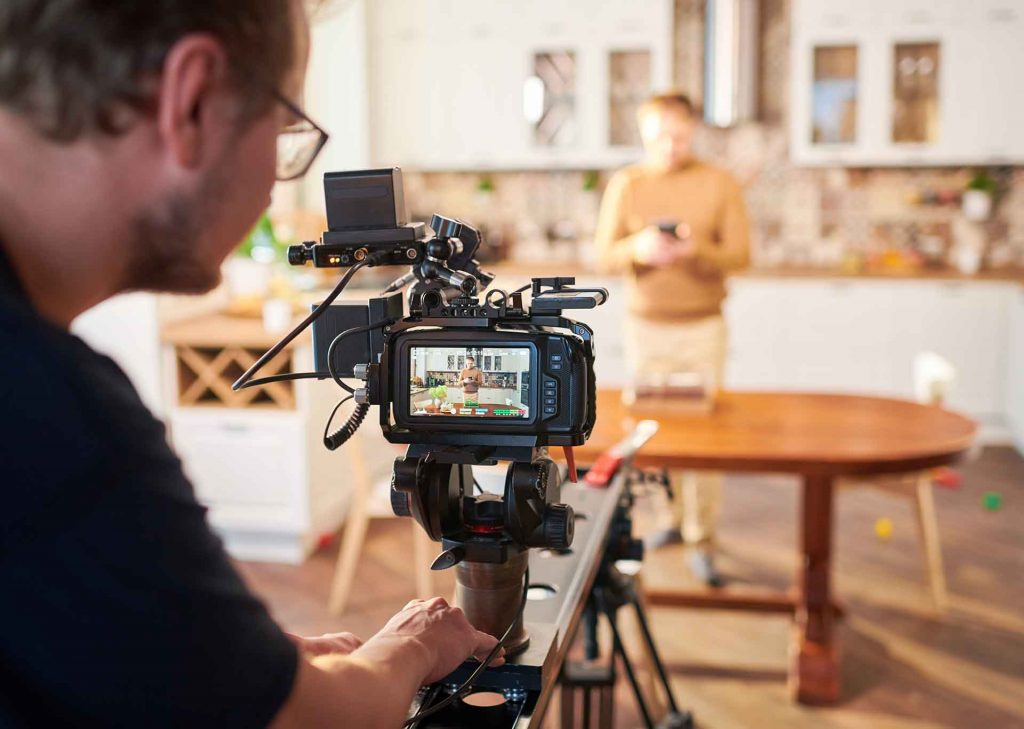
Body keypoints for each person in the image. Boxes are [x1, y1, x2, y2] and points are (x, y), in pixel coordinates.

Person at [0, 2, 501, 727]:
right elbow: (308, 722)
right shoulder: (58, 413)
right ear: (193, 99)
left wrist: (227, 653)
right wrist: (415, 647)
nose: (275, 179)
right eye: (287, 129)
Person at [594, 92, 751, 587]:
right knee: (656, 434)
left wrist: (693, 248)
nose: (671, 144)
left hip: (703, 327)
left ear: (694, 130)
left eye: (680, 135)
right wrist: (638, 248)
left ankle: (702, 537)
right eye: (660, 135)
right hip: (647, 329)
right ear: (643, 133)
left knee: (706, 437)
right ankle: (670, 522)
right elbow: (603, 255)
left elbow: (742, 255)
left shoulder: (718, 183)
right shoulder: (627, 184)